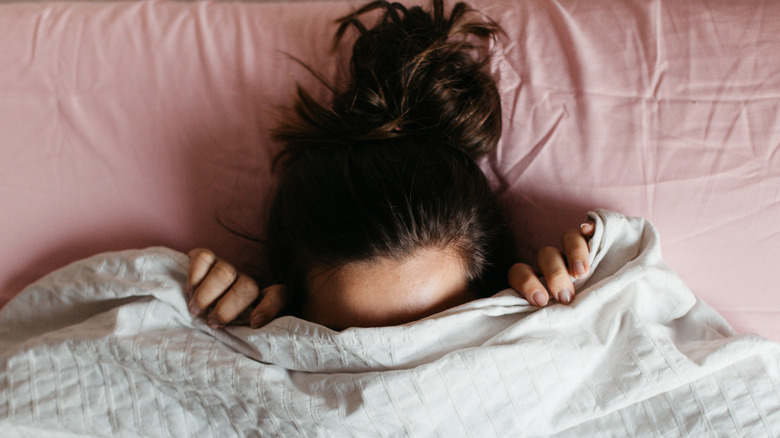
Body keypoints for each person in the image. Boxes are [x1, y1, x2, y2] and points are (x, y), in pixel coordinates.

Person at [186, 0, 594, 331]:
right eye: (356, 341)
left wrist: (584, 300)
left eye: (436, 330)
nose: (398, 366)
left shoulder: (533, 324)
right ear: (295, 314)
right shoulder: (265, 331)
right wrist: (216, 323)